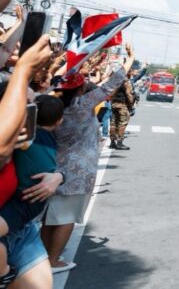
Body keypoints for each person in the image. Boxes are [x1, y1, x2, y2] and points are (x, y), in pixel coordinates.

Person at [41, 43, 135, 273]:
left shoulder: (52, 105)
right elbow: (112, 84)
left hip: (53, 165)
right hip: (79, 170)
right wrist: (129, 58)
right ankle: (53, 261)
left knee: (50, 216)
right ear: (81, 89)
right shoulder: (83, 105)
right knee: (67, 217)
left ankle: (42, 257)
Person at [0, 95, 64, 287]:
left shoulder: (25, 137)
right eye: (27, 101)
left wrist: (59, 176)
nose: (31, 107)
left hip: (22, 219)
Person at [108, 73, 136, 150]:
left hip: (114, 104)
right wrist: (131, 104)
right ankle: (120, 142)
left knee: (113, 123)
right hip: (122, 105)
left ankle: (112, 142)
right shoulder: (125, 81)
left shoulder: (114, 80)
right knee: (122, 123)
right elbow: (129, 94)